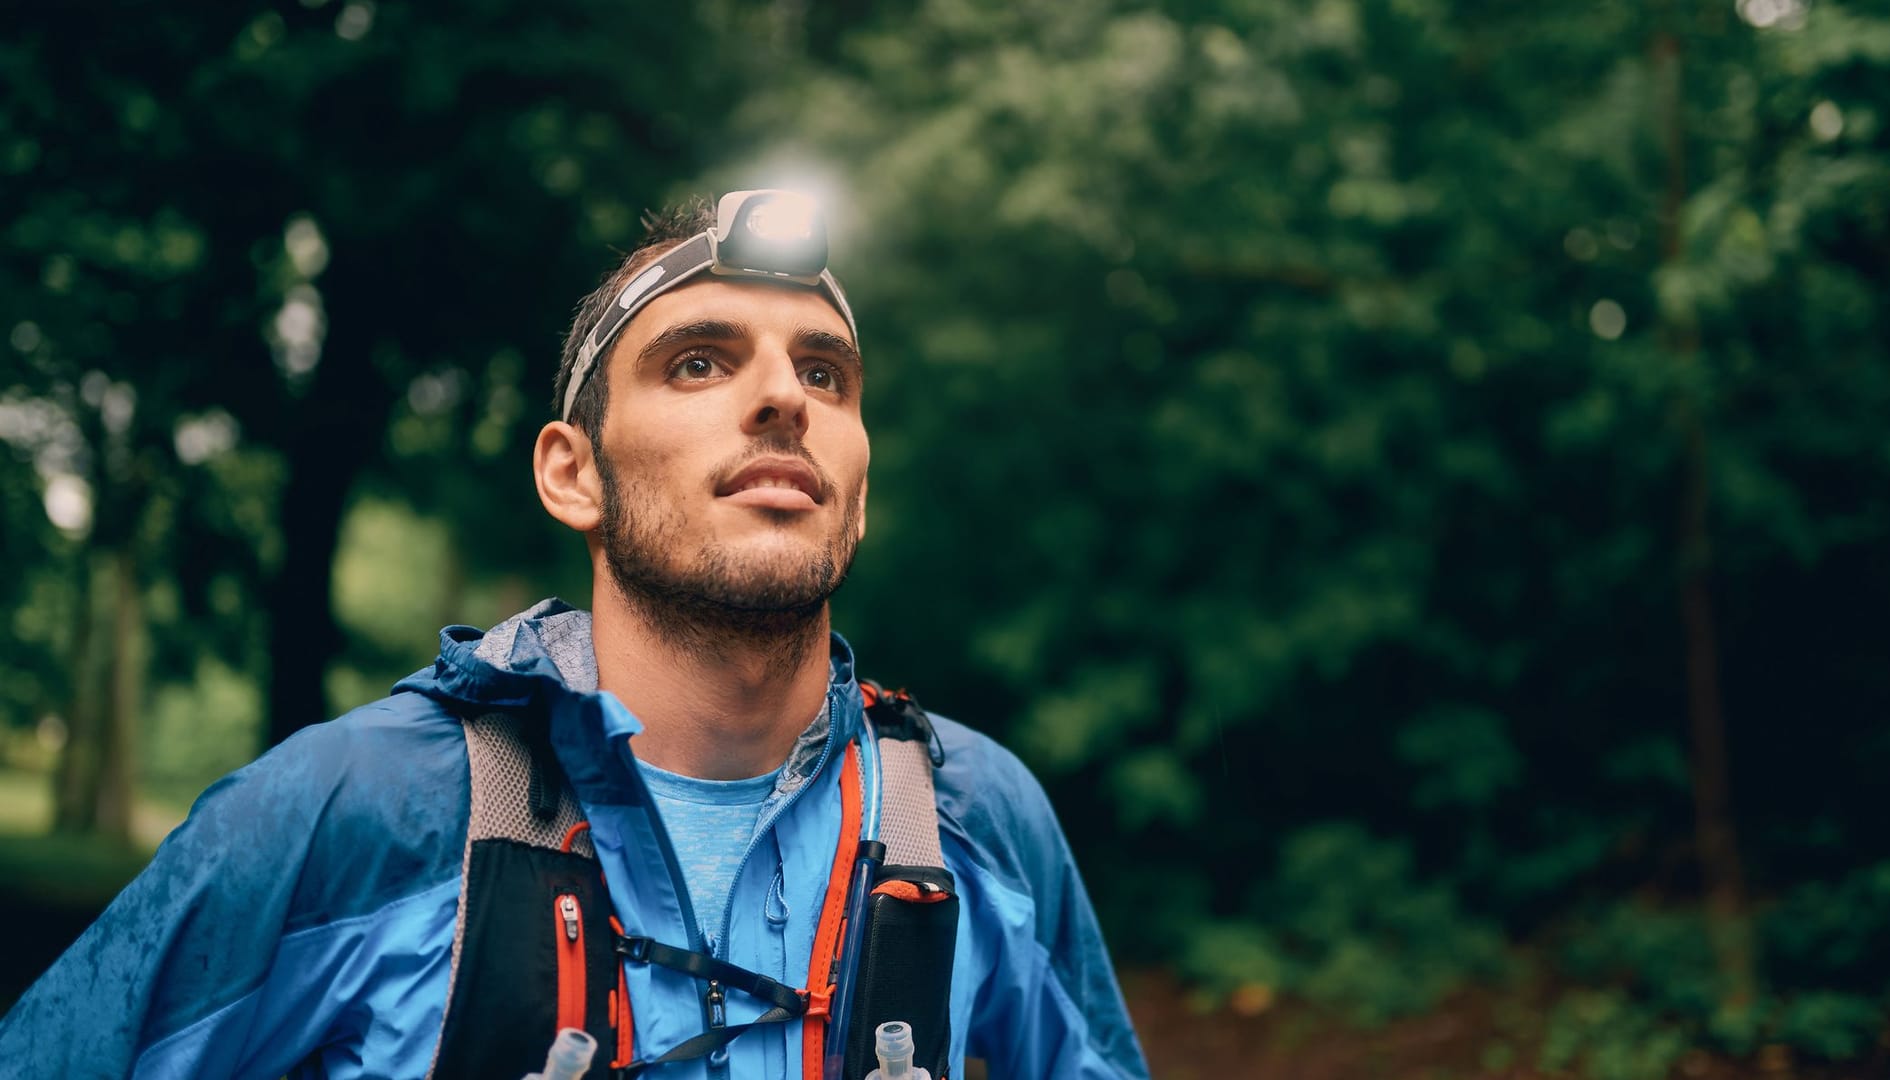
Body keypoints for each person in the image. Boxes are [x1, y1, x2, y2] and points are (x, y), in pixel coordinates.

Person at [0, 190, 1148, 1079]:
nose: (783, 398)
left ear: (858, 487)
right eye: (698, 362)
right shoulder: (348, 810)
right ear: (573, 473)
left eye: (824, 372)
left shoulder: (974, 817)